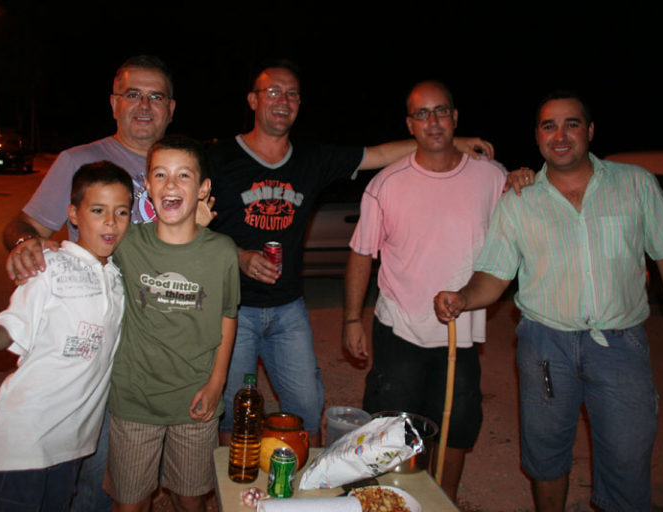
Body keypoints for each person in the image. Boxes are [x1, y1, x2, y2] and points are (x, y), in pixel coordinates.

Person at [434, 91, 663, 512]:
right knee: (546, 457)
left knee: (628, 458)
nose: (560, 135)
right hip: (545, 346)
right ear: (538, 136)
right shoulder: (519, 200)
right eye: (549, 125)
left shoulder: (634, 184)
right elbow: (495, 276)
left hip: (620, 346)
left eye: (571, 124)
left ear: (590, 131)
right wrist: (463, 297)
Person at [209, 61, 496, 446]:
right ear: (253, 100)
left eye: (292, 93)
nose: (283, 100)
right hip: (233, 308)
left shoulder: (311, 158)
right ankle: (236, 499)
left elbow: (377, 154)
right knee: (234, 413)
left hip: (288, 308)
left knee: (308, 410)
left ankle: (303, 494)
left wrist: (449, 142)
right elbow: (193, 230)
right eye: (272, 92)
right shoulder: (219, 158)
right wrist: (240, 255)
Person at [1, 54, 176, 511]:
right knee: (88, 477)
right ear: (113, 103)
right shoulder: (78, 160)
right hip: (96, 350)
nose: (144, 105)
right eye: (132, 94)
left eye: (155, 96)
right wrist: (25, 244)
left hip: (155, 346)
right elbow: (23, 224)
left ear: (170, 108)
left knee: (135, 478)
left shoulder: (181, 167)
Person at [342, 81, 511, 501]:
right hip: (401, 329)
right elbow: (362, 254)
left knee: (458, 424)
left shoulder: (491, 178)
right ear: (409, 125)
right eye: (422, 114)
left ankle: (444, 501)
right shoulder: (386, 185)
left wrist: (523, 178)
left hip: (462, 334)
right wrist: (351, 319)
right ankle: (396, 499)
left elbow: (514, 238)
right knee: (395, 425)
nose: (432, 121)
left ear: (455, 117)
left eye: (440, 112)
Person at [0, 162, 133, 511]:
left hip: (71, 446)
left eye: (121, 212)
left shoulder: (117, 277)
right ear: (74, 214)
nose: (111, 222)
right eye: (98, 211)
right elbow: (15, 326)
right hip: (20, 442)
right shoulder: (49, 265)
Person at [104, 135, 239, 512]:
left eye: (183, 175)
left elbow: (228, 317)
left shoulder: (222, 252)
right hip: (135, 400)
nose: (171, 185)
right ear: (146, 186)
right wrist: (38, 245)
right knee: (129, 502)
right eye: (160, 175)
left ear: (203, 189)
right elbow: (84, 247)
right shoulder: (127, 243)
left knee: (190, 498)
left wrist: (217, 384)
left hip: (195, 402)